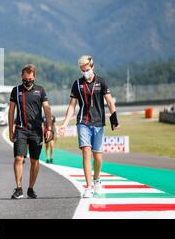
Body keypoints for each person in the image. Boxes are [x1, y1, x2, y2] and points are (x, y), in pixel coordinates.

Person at [59, 55, 119, 198]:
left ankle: (97, 180)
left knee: (97, 156)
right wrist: (65, 124)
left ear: (92, 67)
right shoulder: (77, 84)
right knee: (86, 151)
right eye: (82, 70)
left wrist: (114, 118)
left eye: (87, 69)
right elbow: (72, 106)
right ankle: (89, 186)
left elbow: (110, 102)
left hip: (98, 123)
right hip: (83, 122)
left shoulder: (101, 82)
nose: (85, 73)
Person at [8, 64, 53, 199]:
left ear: (34, 77)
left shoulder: (40, 90)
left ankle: (31, 188)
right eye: (25, 79)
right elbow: (11, 111)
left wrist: (49, 127)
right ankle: (18, 188)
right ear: (22, 77)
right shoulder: (15, 91)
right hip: (21, 129)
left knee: (35, 160)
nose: (28, 82)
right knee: (18, 158)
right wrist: (11, 129)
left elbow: (47, 109)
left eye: (30, 79)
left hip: (36, 131)